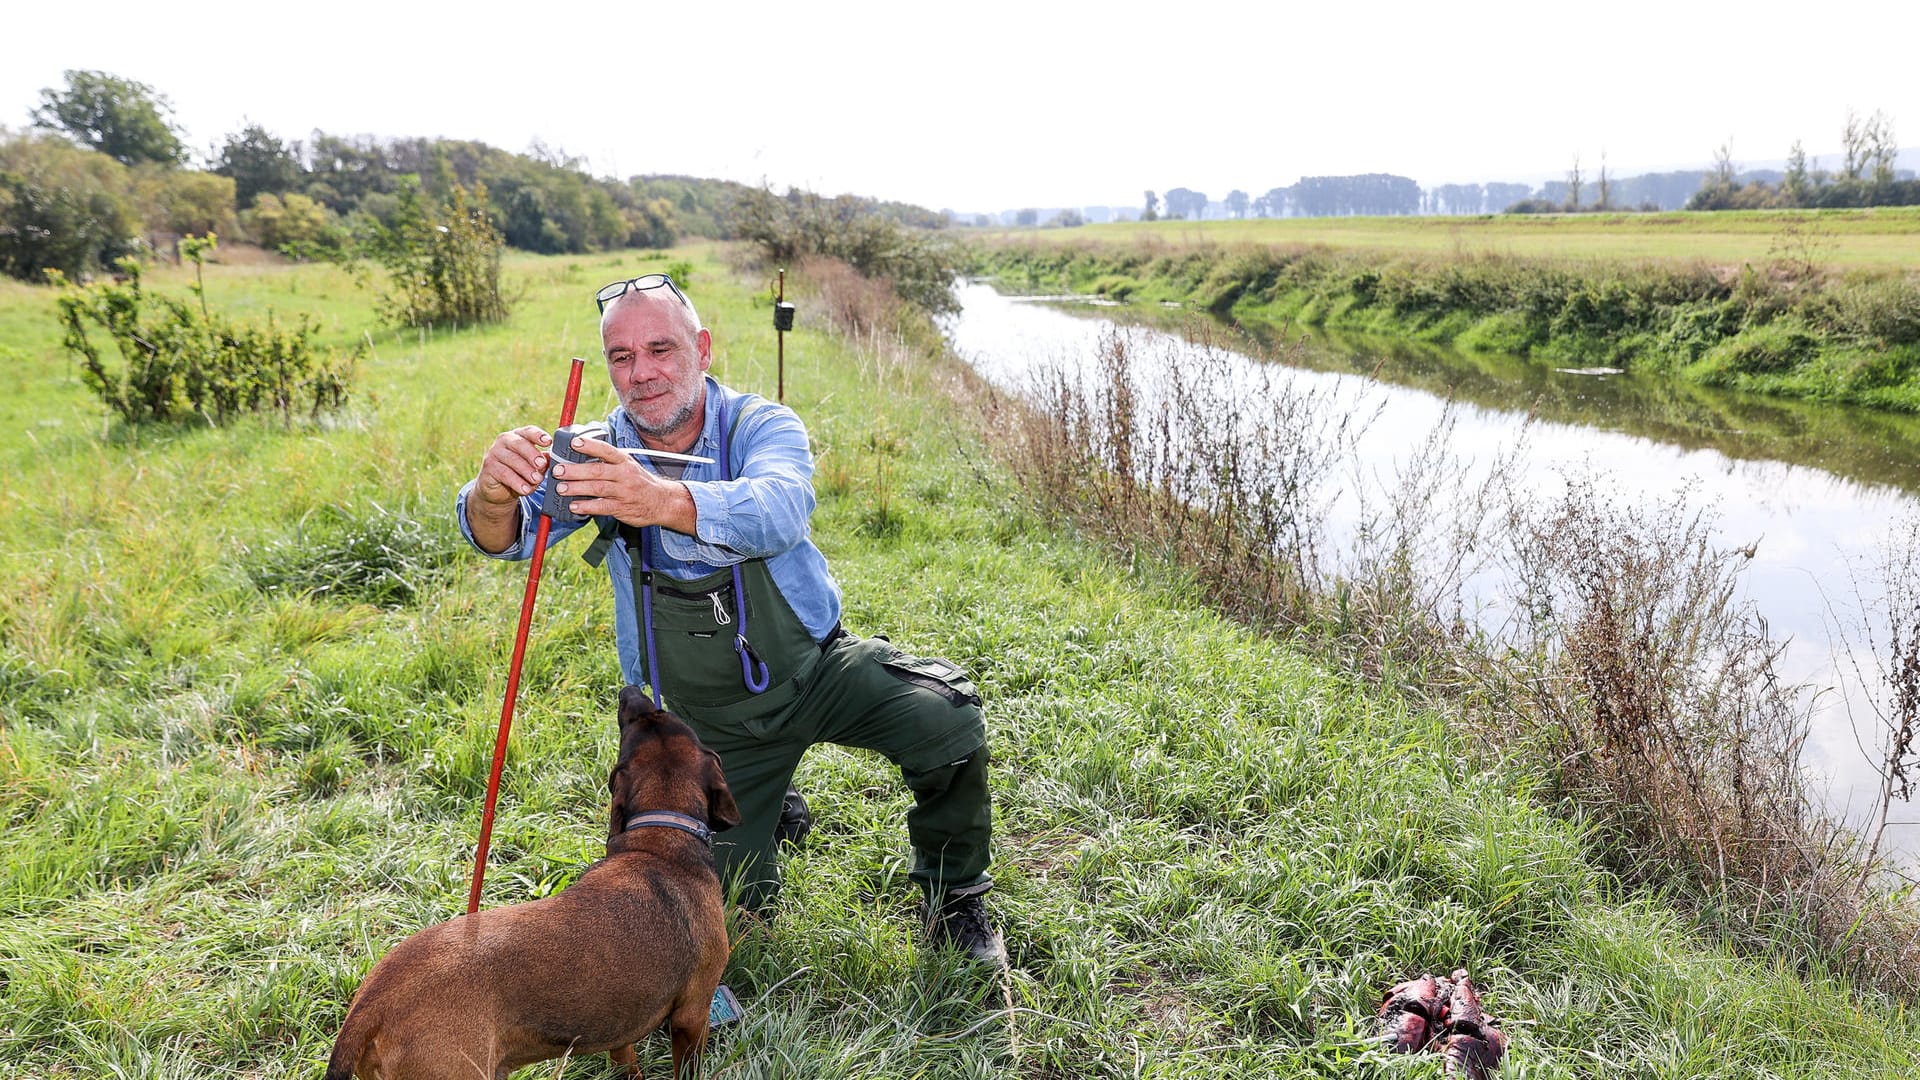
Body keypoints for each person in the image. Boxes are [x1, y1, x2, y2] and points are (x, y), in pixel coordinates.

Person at [456, 273, 1004, 964]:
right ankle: (764, 803)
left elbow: (780, 508)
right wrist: (494, 490)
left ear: (703, 349)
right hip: (704, 725)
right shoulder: (592, 453)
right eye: (621, 357)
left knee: (945, 716)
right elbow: (506, 539)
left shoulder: (759, 425)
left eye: (661, 348)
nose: (642, 373)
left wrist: (659, 499)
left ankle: (954, 900)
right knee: (732, 927)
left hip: (815, 671)